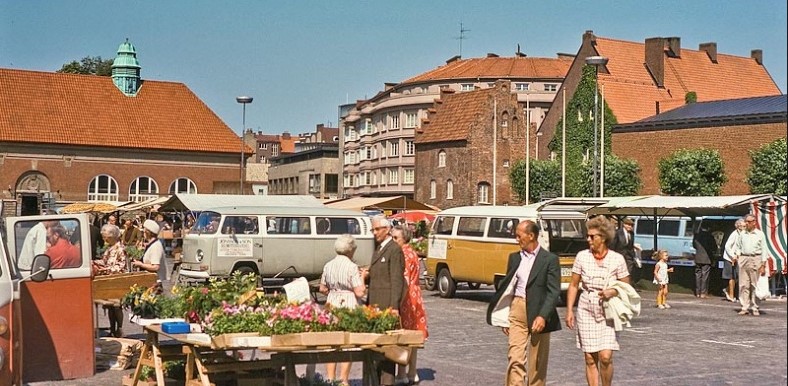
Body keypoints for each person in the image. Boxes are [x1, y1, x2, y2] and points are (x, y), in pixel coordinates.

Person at [487, 220, 561, 386]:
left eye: (519, 236)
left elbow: (553, 291)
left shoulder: (549, 259)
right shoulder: (514, 258)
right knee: (515, 357)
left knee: (537, 363)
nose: (516, 239)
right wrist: (504, 316)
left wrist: (543, 316)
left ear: (531, 236)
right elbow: (508, 288)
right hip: (517, 309)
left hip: (539, 312)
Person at [565, 216, 630, 386]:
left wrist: (613, 291)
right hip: (586, 307)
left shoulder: (617, 259)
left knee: (605, 356)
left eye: (592, 236)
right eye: (588, 236)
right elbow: (573, 285)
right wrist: (570, 310)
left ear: (603, 238)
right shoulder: (582, 257)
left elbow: (627, 287)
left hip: (607, 311)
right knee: (589, 357)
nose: (589, 239)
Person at [319, 234, 367, 386]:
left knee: (331, 342)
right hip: (348, 303)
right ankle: (343, 379)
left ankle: (330, 378)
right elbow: (359, 291)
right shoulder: (352, 267)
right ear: (350, 250)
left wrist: (333, 293)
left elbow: (322, 288)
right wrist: (364, 277)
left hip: (332, 303)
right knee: (347, 342)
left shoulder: (328, 265)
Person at [362, 216, 405, 386]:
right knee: (376, 347)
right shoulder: (379, 248)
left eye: (377, 229)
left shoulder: (394, 250)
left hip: (387, 305)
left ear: (386, 229)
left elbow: (397, 280)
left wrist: (394, 306)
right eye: (373, 230)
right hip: (375, 304)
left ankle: (387, 382)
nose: (374, 233)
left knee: (387, 349)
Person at [392, 225, 428, 386]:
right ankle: (412, 372)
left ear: (403, 239)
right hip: (416, 295)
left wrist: (396, 299)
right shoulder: (413, 252)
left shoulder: (403, 254)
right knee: (413, 336)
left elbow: (403, 279)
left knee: (403, 335)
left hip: (406, 296)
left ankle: (401, 373)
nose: (393, 241)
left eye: (395, 238)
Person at [94, 224, 128, 337]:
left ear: (113, 236)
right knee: (110, 307)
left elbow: (121, 267)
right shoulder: (109, 248)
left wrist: (106, 269)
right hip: (109, 280)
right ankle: (112, 329)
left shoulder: (120, 249)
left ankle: (120, 329)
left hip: (118, 281)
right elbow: (105, 261)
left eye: (106, 237)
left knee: (116, 306)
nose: (104, 239)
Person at [735, 214, 768, 316]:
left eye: (749, 222)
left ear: (754, 222)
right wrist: (737, 256)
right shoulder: (742, 234)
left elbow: (764, 250)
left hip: (755, 258)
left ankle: (755, 307)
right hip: (744, 258)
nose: (747, 224)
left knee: (755, 284)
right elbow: (738, 246)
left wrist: (763, 264)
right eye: (746, 221)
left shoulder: (760, 234)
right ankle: (744, 306)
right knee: (743, 284)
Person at [132, 219, 168, 293]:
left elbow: (155, 267)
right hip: (150, 281)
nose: (143, 233)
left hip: (155, 283)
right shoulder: (152, 244)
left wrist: (141, 264)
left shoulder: (155, 246)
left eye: (144, 231)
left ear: (148, 232)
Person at [722, 219, 746, 302]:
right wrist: (733, 256)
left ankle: (727, 290)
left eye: (745, 226)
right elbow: (727, 246)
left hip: (738, 257)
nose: (744, 227)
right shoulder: (734, 234)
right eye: (743, 226)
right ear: (738, 226)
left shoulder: (743, 234)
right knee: (731, 277)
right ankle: (731, 296)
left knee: (738, 277)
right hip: (729, 258)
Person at [693, 225, 718, 299]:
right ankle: (703, 293)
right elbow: (714, 247)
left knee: (698, 275)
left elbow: (694, 246)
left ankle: (697, 292)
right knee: (705, 276)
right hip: (707, 258)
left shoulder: (696, 236)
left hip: (698, 257)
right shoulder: (709, 236)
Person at [612, 217, 638, 283]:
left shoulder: (631, 234)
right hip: (619, 255)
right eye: (628, 225)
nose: (630, 226)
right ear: (624, 224)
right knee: (618, 272)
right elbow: (613, 245)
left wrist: (634, 256)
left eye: (632, 225)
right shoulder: (618, 233)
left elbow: (631, 246)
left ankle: (626, 285)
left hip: (628, 256)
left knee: (629, 272)